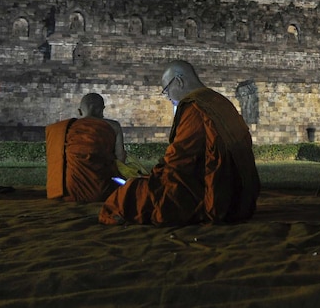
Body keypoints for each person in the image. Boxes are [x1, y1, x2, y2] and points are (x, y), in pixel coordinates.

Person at [99, 60, 261, 226]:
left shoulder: (195, 108)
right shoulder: (219, 102)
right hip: (242, 199)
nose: (168, 96)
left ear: (179, 81)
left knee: (131, 192)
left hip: (217, 199)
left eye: (166, 90)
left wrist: (153, 176)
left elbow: (179, 160)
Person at [45, 93, 124, 202]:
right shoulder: (113, 126)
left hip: (68, 192)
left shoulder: (64, 129)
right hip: (101, 191)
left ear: (80, 111)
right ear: (102, 110)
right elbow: (120, 160)